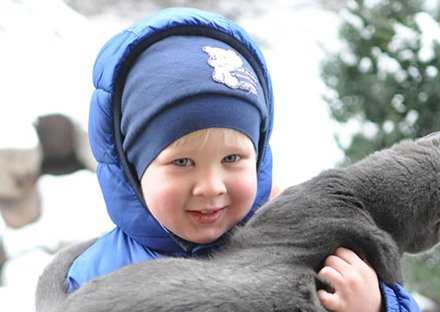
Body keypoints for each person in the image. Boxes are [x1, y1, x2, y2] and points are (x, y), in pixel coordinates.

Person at [41, 7, 420, 312]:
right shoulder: (96, 277)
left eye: (233, 157)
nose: (212, 186)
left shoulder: (304, 245)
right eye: (182, 162)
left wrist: (376, 306)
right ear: (131, 168)